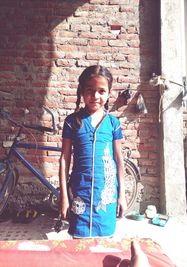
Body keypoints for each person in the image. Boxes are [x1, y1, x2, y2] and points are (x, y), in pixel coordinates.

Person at [59, 65, 127, 238]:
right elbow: (64, 160)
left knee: (104, 241)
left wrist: (122, 196)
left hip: (106, 193)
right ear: (81, 91)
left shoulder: (113, 124)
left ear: (109, 93)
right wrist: (64, 197)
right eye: (90, 90)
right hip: (80, 191)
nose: (95, 96)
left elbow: (119, 160)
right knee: (79, 241)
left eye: (101, 91)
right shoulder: (72, 122)